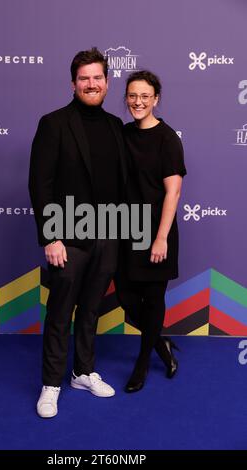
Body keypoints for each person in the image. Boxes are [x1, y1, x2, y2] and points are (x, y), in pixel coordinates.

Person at [29, 48, 127, 417]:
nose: (91, 83)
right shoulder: (53, 123)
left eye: (97, 77)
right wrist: (50, 237)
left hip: (107, 236)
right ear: (73, 83)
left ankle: (83, 372)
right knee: (60, 311)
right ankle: (51, 383)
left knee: (90, 310)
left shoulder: (116, 126)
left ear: (107, 81)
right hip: (67, 239)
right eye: (84, 78)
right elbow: (40, 184)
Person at [115, 70, 186, 393]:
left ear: (156, 99)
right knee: (128, 300)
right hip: (126, 230)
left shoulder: (168, 138)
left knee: (153, 299)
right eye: (132, 95)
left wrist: (160, 238)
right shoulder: (123, 133)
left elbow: (173, 192)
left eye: (145, 96)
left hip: (157, 231)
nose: (138, 101)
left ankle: (142, 364)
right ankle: (161, 344)